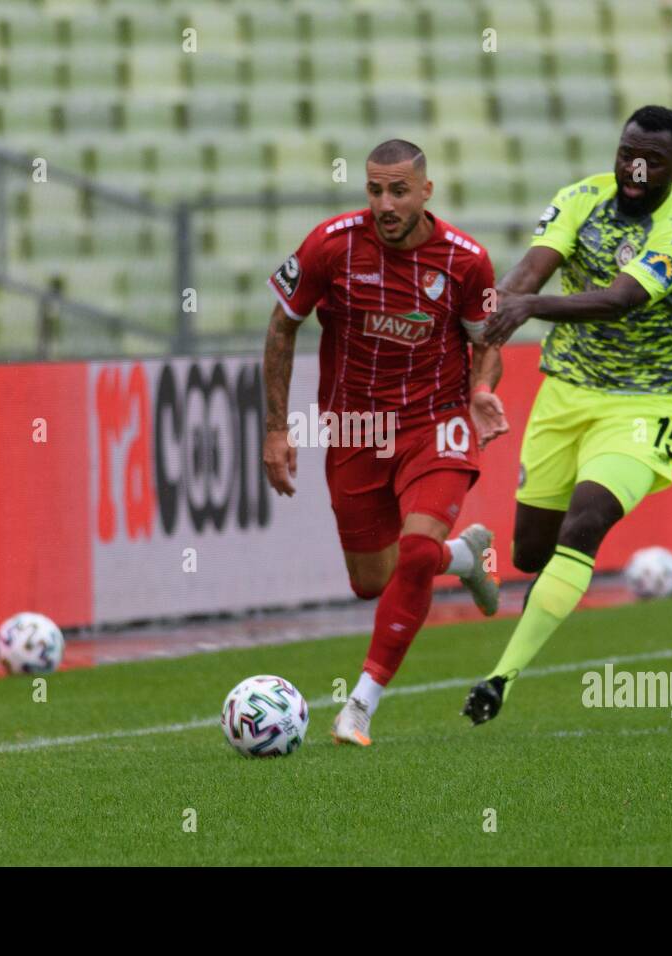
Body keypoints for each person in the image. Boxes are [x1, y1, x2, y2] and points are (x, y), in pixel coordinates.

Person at [463, 106, 672, 725]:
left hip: (646, 400)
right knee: (528, 553)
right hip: (565, 393)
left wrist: (530, 306)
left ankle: (500, 680)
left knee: (587, 520)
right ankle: (472, 562)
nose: (636, 168)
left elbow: (621, 300)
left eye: (653, 161)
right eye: (628, 151)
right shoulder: (581, 198)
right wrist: (492, 331)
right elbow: (528, 271)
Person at [262, 139, 509, 746]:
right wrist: (275, 428)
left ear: (427, 191)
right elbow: (281, 326)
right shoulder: (331, 244)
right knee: (373, 581)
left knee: (416, 554)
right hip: (354, 428)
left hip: (435, 422)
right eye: (375, 189)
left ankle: (360, 704)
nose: (385, 203)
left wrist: (481, 388)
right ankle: (463, 557)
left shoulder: (466, 260)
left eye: (398, 190)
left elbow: (488, 342)